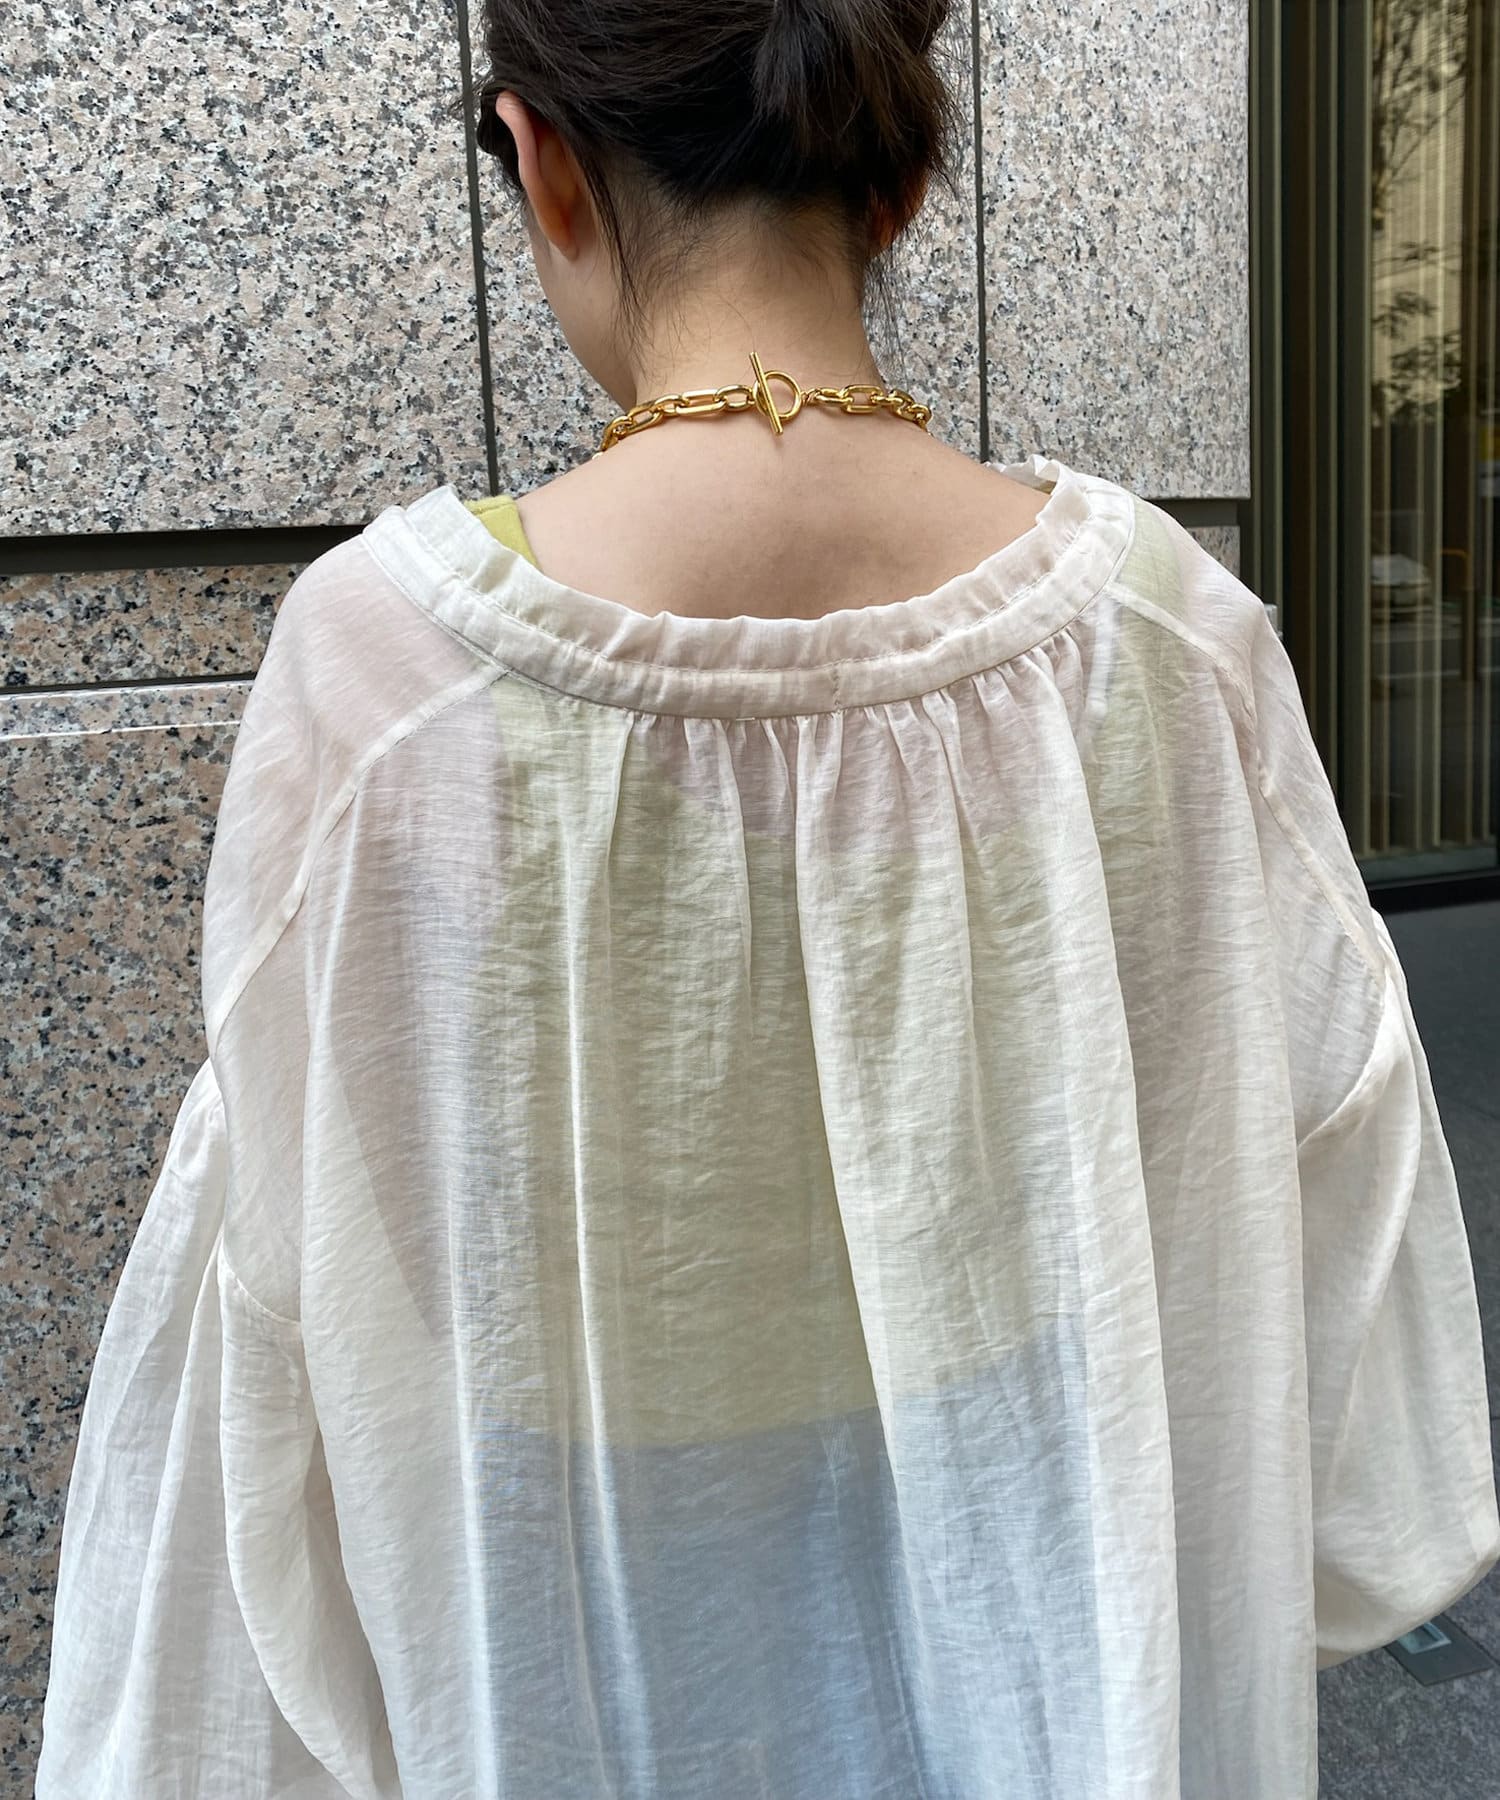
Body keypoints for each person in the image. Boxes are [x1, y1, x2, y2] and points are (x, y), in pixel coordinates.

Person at [37, 1, 1500, 1796]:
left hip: (597, 1644)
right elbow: (1326, 1164)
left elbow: (293, 1282)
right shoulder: (1170, 633)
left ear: (545, 163)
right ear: (897, 187)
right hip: (1052, 1588)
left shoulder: (385, 669)